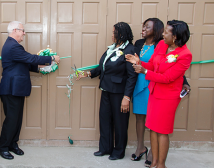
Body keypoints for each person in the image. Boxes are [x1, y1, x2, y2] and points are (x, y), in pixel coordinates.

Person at [126, 20, 192, 168]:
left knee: (162, 131)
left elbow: (167, 78)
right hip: (154, 92)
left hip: (168, 97)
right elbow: (154, 65)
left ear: (175, 36)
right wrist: (140, 62)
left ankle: (161, 164)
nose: (162, 34)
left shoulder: (185, 55)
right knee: (152, 127)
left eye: (166, 32)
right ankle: (154, 162)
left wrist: (144, 72)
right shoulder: (162, 44)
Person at [0, 21, 60, 160]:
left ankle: (13, 144)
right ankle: (3, 147)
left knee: (17, 119)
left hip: (17, 88)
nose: (24, 33)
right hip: (10, 89)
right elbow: (30, 58)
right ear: (15, 30)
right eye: (22, 30)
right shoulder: (12, 46)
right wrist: (51, 58)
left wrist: (40, 69)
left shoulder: (14, 46)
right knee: (11, 120)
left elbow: (25, 63)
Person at [76, 22, 137, 160]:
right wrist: (88, 74)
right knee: (105, 120)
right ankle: (105, 148)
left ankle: (118, 151)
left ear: (121, 34)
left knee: (120, 123)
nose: (111, 34)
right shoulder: (112, 48)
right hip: (106, 89)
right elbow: (102, 67)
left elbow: (132, 76)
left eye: (114, 32)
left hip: (120, 93)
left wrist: (127, 97)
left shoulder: (129, 50)